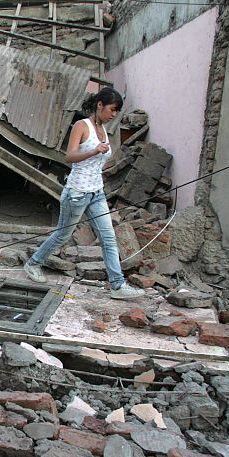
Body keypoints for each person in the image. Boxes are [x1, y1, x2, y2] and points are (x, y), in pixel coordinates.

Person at [23, 87, 145, 300]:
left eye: (117, 111)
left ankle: (117, 285)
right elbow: (69, 156)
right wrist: (93, 151)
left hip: (96, 192)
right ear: (100, 105)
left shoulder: (103, 129)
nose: (114, 114)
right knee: (63, 234)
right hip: (77, 192)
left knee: (108, 238)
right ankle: (33, 263)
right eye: (112, 109)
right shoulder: (82, 126)